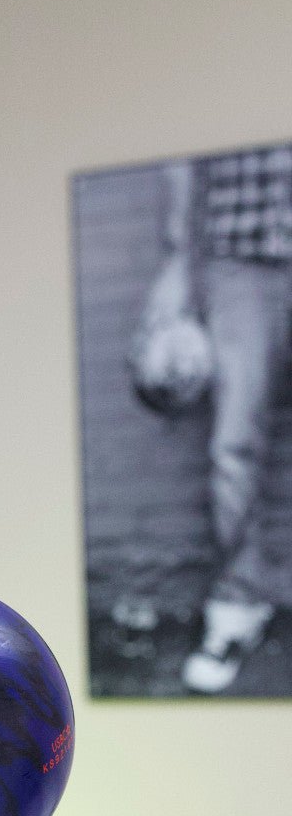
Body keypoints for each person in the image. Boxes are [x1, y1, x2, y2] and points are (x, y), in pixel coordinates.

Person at [141, 149, 292, 693]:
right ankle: (237, 606)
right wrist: (178, 260)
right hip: (240, 258)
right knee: (235, 443)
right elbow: (180, 159)